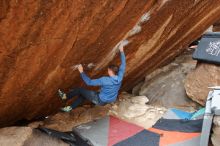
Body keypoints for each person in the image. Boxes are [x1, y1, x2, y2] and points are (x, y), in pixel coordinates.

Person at [58, 46, 126, 112]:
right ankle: (70, 108)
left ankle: (65, 97)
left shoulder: (105, 80)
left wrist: (81, 71)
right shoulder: (120, 76)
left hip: (100, 100)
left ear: (110, 71)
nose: (107, 71)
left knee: (79, 90)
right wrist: (121, 50)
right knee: (84, 95)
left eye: (108, 70)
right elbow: (123, 64)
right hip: (109, 100)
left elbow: (89, 82)